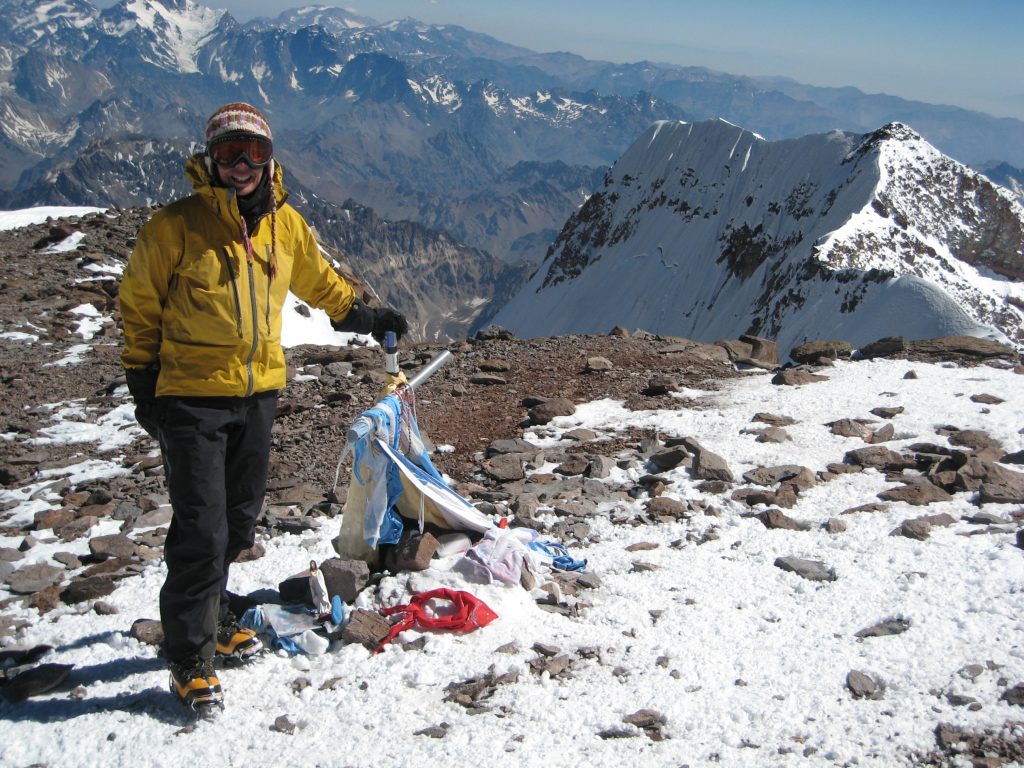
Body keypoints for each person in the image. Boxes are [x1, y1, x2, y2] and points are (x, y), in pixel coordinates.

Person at [119, 102, 407, 711]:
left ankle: (217, 612)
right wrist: (142, 381)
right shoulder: (175, 228)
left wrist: (366, 315)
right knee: (201, 526)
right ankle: (189, 657)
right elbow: (140, 309)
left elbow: (321, 286)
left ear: (269, 159)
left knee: (240, 519)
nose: (242, 165)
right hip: (191, 400)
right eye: (229, 154)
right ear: (210, 159)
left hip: (256, 395)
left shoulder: (284, 226)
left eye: (254, 153)